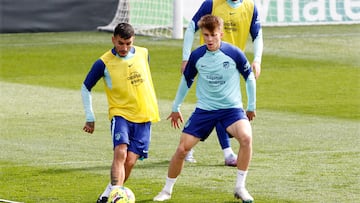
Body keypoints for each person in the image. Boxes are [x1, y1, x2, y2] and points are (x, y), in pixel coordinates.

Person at [153, 15, 256, 202]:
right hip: (205, 110)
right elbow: (186, 81)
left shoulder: (234, 53)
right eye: (206, 35)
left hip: (231, 109)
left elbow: (249, 78)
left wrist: (251, 106)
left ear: (221, 34)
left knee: (246, 138)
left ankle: (240, 187)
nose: (209, 39)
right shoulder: (197, 56)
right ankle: (167, 190)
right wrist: (176, 107)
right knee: (182, 149)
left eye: (213, 35)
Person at [81, 23, 160, 203]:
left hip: (144, 114)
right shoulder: (103, 62)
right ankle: (117, 194)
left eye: (128, 43)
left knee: (130, 161)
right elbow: (86, 87)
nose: (124, 48)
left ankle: (107, 194)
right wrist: (90, 116)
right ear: (113, 40)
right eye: (120, 43)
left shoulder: (143, 53)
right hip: (120, 114)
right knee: (121, 152)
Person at [183, 0, 263, 166]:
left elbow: (258, 35)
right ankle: (226, 153)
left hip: (233, 63)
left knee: (221, 105)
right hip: (209, 62)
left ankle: (190, 145)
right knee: (220, 104)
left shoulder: (250, 7)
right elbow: (191, 26)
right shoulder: (211, 4)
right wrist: (186, 57)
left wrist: (257, 59)